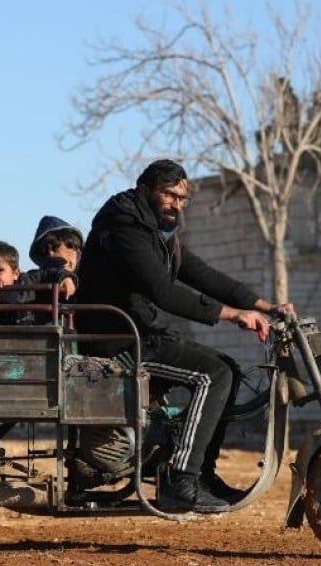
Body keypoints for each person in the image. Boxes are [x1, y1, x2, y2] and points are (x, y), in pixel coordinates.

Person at [74, 159, 291, 513]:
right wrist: (232, 315)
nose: (176, 203)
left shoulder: (157, 234)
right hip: (117, 343)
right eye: (168, 194)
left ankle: (200, 474)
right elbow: (163, 290)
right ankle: (181, 480)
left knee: (228, 369)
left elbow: (203, 275)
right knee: (213, 375)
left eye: (182, 198)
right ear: (145, 190)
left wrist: (267, 306)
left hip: (140, 335)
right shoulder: (125, 229)